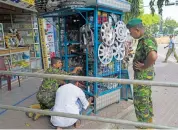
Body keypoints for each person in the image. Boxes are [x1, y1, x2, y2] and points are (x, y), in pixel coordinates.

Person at [126, 18, 158, 128]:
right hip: (144, 78)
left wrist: (144, 66)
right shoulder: (145, 38)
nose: (131, 35)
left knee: (141, 102)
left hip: (143, 79)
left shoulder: (146, 39)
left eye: (131, 32)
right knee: (146, 100)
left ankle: (145, 126)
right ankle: (147, 123)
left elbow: (153, 56)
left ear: (137, 30)